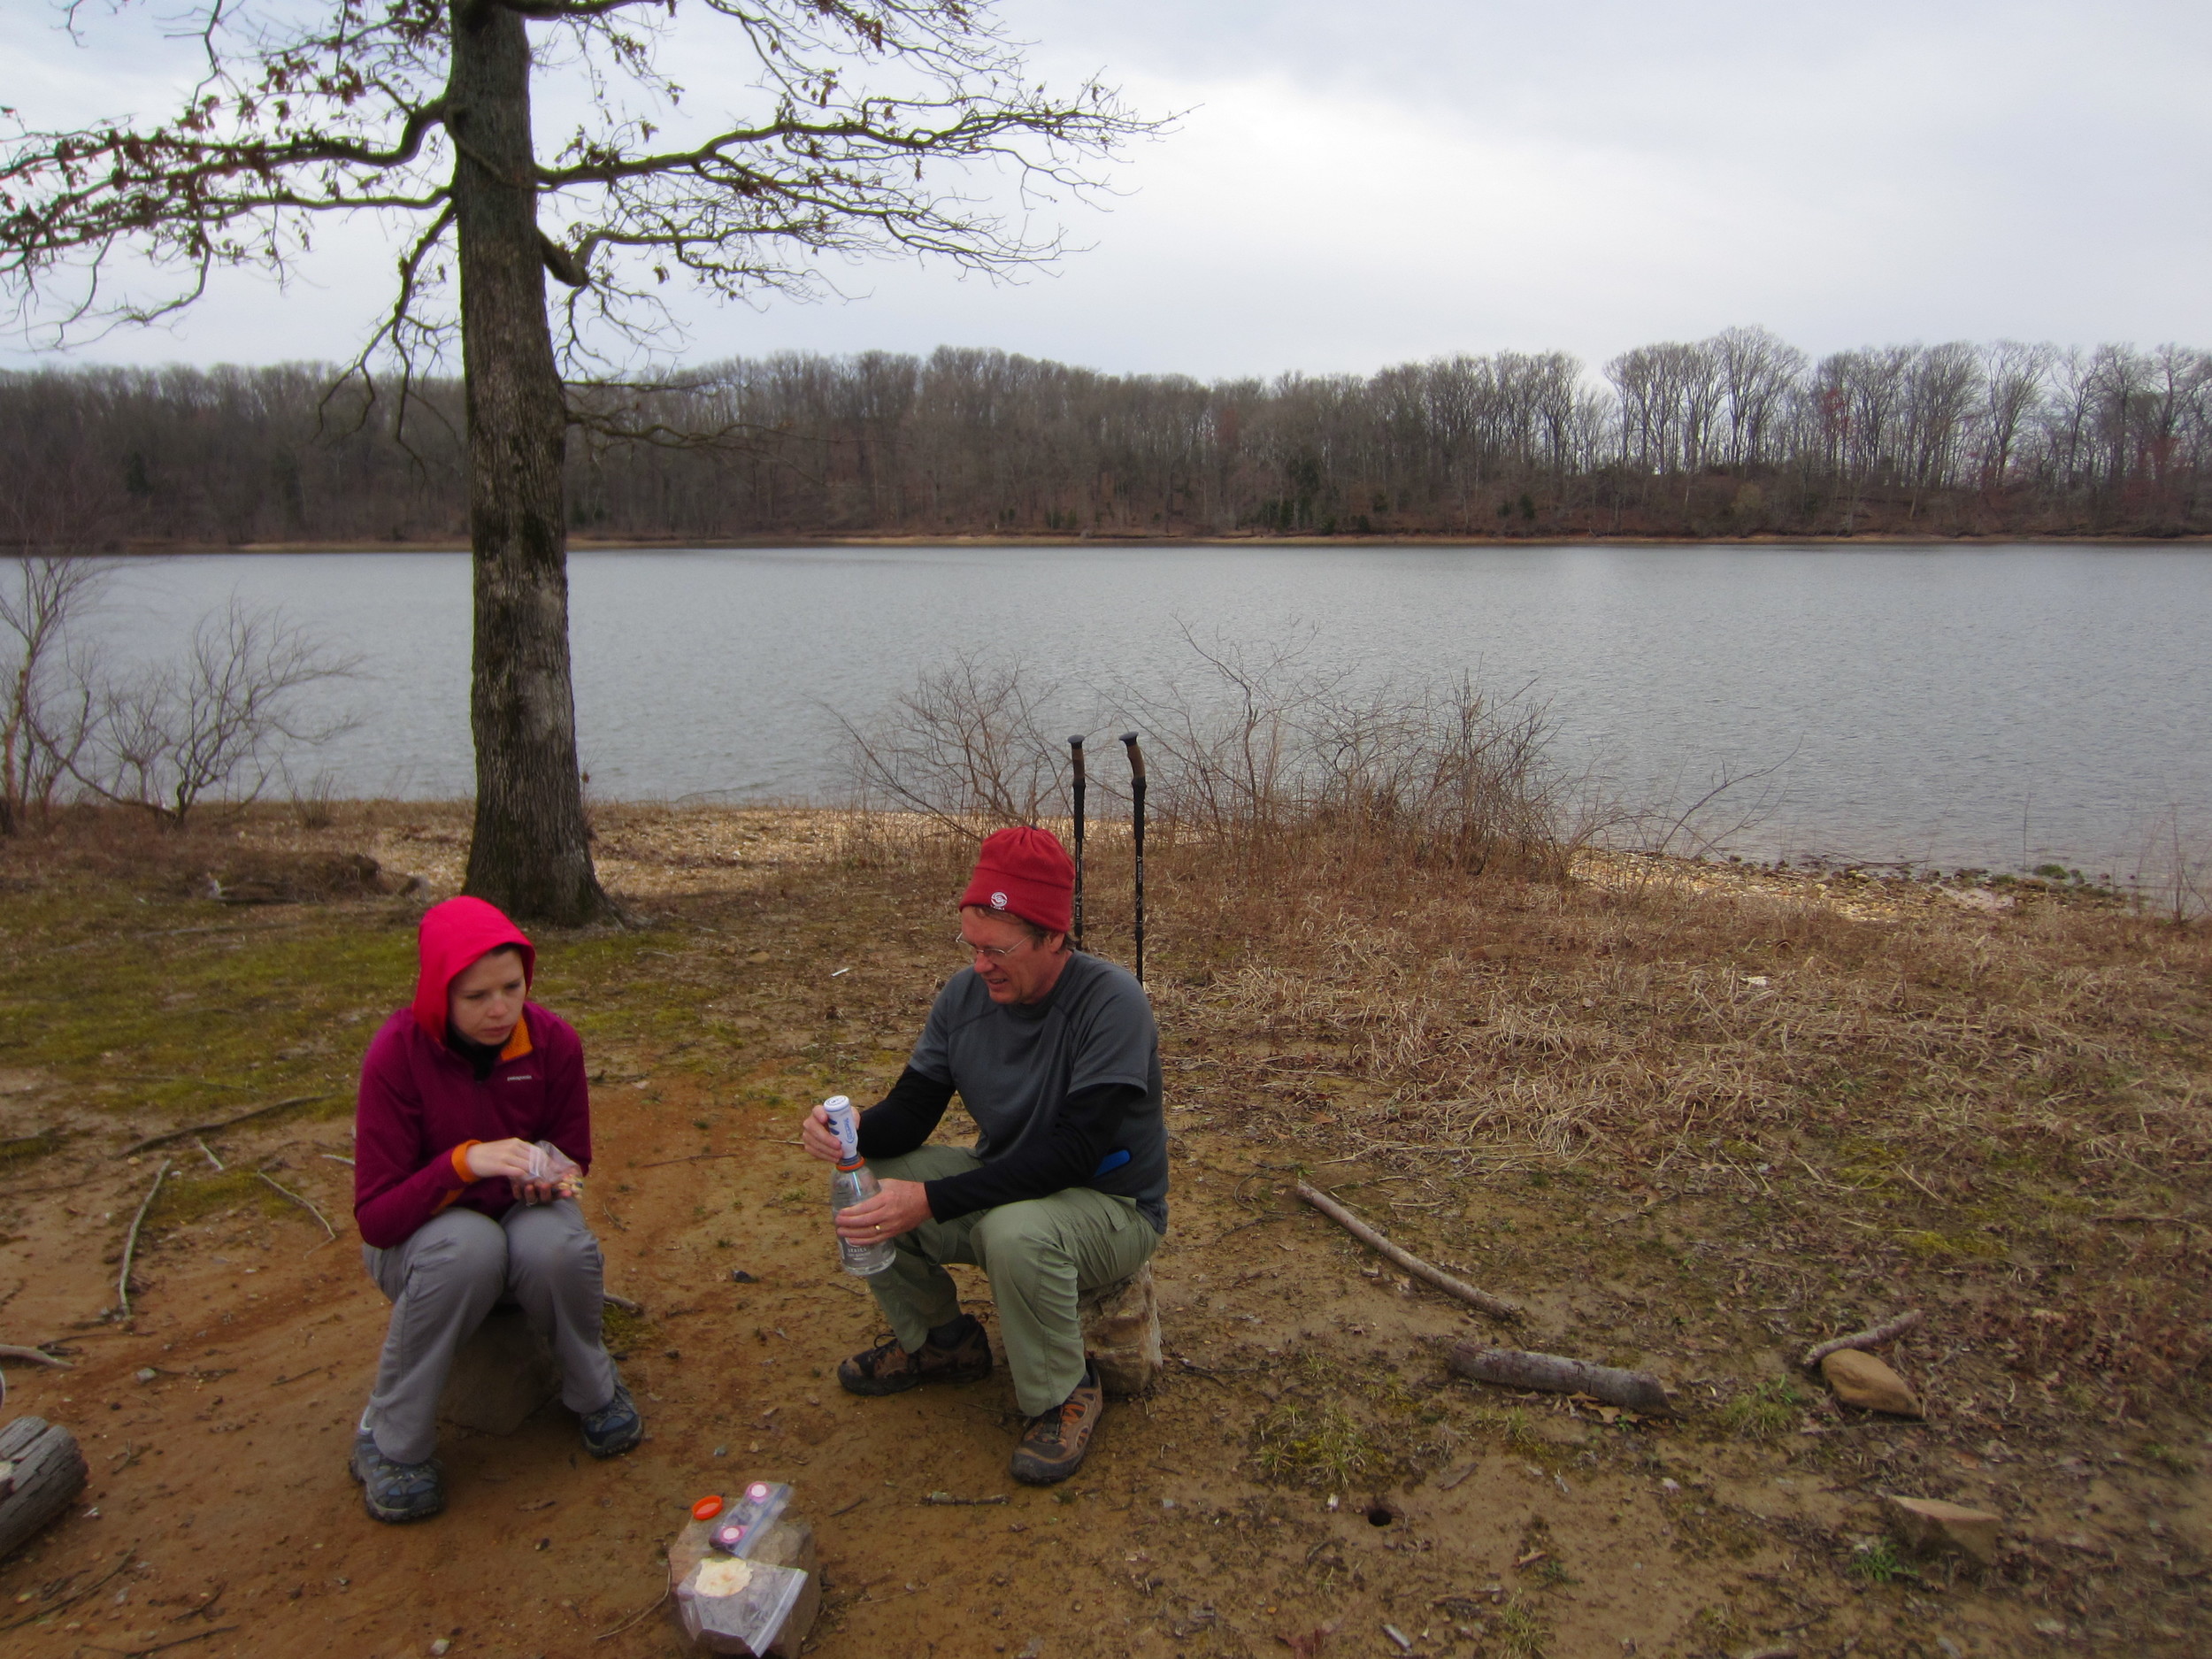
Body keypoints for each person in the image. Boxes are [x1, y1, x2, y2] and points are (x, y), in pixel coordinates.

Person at [800, 826, 1169, 1484]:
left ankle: (1064, 1393)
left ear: (1053, 937)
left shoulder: (1113, 1003)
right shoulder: (965, 998)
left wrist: (934, 1200)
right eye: (971, 946)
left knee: (1014, 1232)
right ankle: (942, 1343)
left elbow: (1073, 1153)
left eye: (997, 949)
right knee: (868, 1182)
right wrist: (853, 1128)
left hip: (1110, 1205)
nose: (980, 965)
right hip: (1010, 1183)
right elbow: (913, 1111)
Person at [348, 895, 641, 1523]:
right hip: (425, 1240)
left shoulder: (552, 1042)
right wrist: (462, 1163)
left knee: (559, 1245)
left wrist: (556, 1177)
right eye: (477, 995)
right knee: (467, 1249)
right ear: (439, 994)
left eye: (512, 986)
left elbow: (575, 1159)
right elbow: (377, 1218)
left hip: (521, 1218)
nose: (500, 1008)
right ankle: (391, 1441)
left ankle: (594, 1390)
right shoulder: (397, 1055)